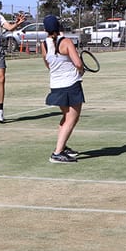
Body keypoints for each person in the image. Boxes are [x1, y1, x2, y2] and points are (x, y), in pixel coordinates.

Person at [39, 15, 85, 163]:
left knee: (66, 117)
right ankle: (57, 153)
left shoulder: (44, 45)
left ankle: (62, 148)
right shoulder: (66, 42)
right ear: (59, 27)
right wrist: (81, 70)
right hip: (70, 85)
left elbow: (48, 64)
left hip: (56, 86)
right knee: (72, 119)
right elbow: (78, 63)